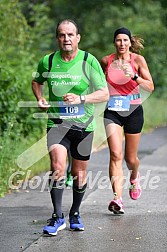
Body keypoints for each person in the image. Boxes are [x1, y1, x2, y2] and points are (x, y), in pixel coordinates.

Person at [32, 19, 109, 235]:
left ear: (78, 38)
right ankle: (57, 216)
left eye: (70, 35)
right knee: (58, 167)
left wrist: (81, 98)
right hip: (57, 124)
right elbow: (37, 81)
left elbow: (104, 93)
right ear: (57, 38)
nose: (66, 38)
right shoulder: (47, 62)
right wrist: (39, 98)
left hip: (83, 127)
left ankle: (75, 212)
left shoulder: (87, 60)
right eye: (62, 35)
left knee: (79, 173)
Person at [101, 27, 154, 214]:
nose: (121, 44)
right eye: (118, 40)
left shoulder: (137, 60)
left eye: (125, 40)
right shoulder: (106, 61)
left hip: (133, 111)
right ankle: (117, 199)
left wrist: (134, 76)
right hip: (113, 112)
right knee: (115, 154)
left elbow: (150, 86)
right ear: (114, 42)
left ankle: (134, 176)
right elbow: (100, 84)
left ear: (130, 42)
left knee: (131, 159)